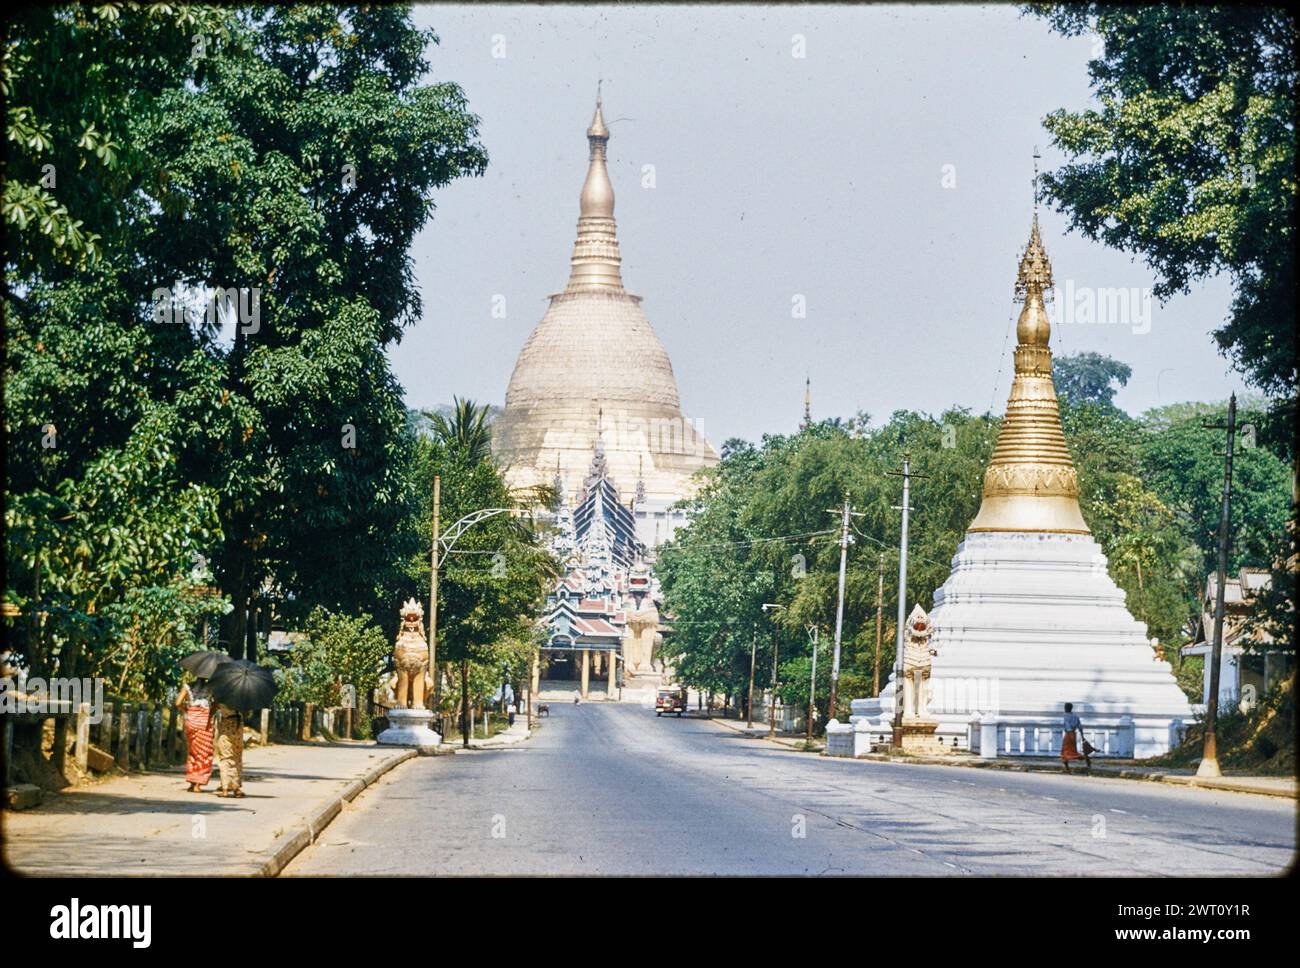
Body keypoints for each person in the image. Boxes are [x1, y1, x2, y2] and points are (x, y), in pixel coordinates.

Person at [177, 677, 214, 792]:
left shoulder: (187, 686)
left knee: (192, 751)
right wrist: (210, 714)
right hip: (204, 721)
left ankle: (192, 782)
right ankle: (198, 783)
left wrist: (187, 710)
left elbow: (177, 703)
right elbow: (215, 705)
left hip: (191, 720)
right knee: (204, 753)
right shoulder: (212, 687)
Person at [214, 703, 245, 798]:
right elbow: (246, 713)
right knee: (236, 758)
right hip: (237, 727)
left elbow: (215, 707)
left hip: (225, 727)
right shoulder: (241, 698)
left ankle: (225, 789)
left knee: (225, 758)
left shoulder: (220, 696)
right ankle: (236, 788)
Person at [1060, 702, 1091, 773]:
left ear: (1066, 708)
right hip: (1074, 734)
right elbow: (1080, 726)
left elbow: (1067, 726)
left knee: (1065, 752)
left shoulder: (1065, 716)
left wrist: (1070, 735)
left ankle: (1067, 768)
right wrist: (1082, 736)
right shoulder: (1075, 716)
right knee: (1073, 752)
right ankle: (1086, 759)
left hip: (1068, 735)